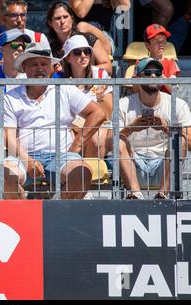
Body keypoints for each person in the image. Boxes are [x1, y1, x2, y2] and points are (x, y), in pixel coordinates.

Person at [0, 41, 106, 199]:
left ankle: (59, 214)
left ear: (51, 67)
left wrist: (76, 146)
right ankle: (24, 217)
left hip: (63, 155)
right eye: (34, 64)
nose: (40, 68)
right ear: (24, 67)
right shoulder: (11, 96)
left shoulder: (66, 89)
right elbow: (8, 136)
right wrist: (27, 160)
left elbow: (98, 114)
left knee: (81, 173)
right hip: (22, 156)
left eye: (44, 64)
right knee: (2, 174)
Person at [113, 57, 191, 199]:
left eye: (158, 73)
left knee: (180, 141)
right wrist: (130, 128)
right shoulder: (122, 104)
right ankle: (136, 195)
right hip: (133, 164)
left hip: (165, 164)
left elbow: (189, 143)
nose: (154, 76)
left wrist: (167, 129)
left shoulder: (178, 104)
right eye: (148, 73)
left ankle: (163, 195)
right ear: (137, 78)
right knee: (117, 140)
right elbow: (108, 143)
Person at [61, 35, 113, 158]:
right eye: (78, 52)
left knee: (96, 139)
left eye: (87, 51)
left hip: (98, 124)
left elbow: (108, 113)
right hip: (71, 125)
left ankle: (89, 174)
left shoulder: (100, 74)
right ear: (68, 57)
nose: (83, 56)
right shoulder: (59, 78)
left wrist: (101, 99)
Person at [0, 0, 48, 75]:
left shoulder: (39, 38)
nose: (19, 20)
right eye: (14, 15)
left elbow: (51, 71)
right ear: (4, 19)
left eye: (22, 15)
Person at [0, 28, 30, 136]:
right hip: (0, 127)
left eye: (23, 45)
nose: (20, 48)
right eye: (15, 44)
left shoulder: (31, 74)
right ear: (2, 49)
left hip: (27, 126)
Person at [46, 0, 112, 75]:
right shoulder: (47, 44)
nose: (62, 21)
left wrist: (83, 69)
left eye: (65, 17)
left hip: (88, 85)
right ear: (50, 23)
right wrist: (55, 71)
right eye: (57, 18)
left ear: (72, 18)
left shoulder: (87, 38)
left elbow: (108, 67)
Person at [136, 23, 180, 94]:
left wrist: (159, 74)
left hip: (166, 102)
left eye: (163, 41)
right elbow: (135, 89)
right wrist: (145, 76)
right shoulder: (141, 63)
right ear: (147, 45)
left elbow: (174, 90)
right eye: (157, 41)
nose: (161, 44)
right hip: (145, 100)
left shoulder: (170, 62)